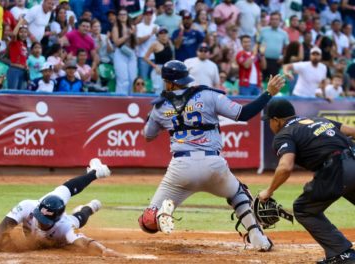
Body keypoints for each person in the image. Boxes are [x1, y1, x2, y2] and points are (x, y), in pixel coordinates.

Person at [138, 60, 285, 251]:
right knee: (239, 194)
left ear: (168, 82)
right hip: (213, 164)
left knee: (147, 221)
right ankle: (257, 237)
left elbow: (148, 135)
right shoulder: (207, 95)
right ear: (185, 79)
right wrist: (268, 94)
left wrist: (157, 114)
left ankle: (160, 215)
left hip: (181, 167)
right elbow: (244, 114)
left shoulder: (160, 107)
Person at [258, 98, 355, 264]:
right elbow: (353, 131)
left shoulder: (284, 134)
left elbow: (285, 167)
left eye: (269, 122)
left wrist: (269, 190)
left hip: (336, 170)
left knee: (303, 208)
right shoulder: (318, 120)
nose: (270, 126)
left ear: (277, 120)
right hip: (352, 159)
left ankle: (342, 254)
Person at [0, 158, 123, 258]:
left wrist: (104, 250)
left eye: (45, 221)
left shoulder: (64, 226)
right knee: (67, 188)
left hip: (61, 232)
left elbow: (84, 241)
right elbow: (6, 224)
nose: (40, 221)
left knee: (79, 219)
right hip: (37, 234)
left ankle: (90, 207)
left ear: (57, 218)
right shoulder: (29, 205)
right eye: (39, 217)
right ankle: (96, 172)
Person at [112, 8, 137, 95]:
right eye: (121, 14)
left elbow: (136, 42)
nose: (123, 16)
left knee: (133, 78)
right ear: (118, 17)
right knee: (123, 79)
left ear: (127, 16)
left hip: (131, 53)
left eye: (124, 14)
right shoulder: (115, 27)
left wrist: (133, 34)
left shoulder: (132, 26)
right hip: (120, 52)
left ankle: (131, 98)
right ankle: (120, 99)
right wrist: (127, 35)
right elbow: (116, 42)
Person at [143, 27, 174, 95]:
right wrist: (155, 66)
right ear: (158, 35)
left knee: (169, 91)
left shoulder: (169, 43)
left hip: (168, 69)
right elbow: (145, 57)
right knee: (158, 92)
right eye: (161, 33)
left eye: (165, 33)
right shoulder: (155, 44)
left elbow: (172, 57)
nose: (163, 34)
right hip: (159, 70)